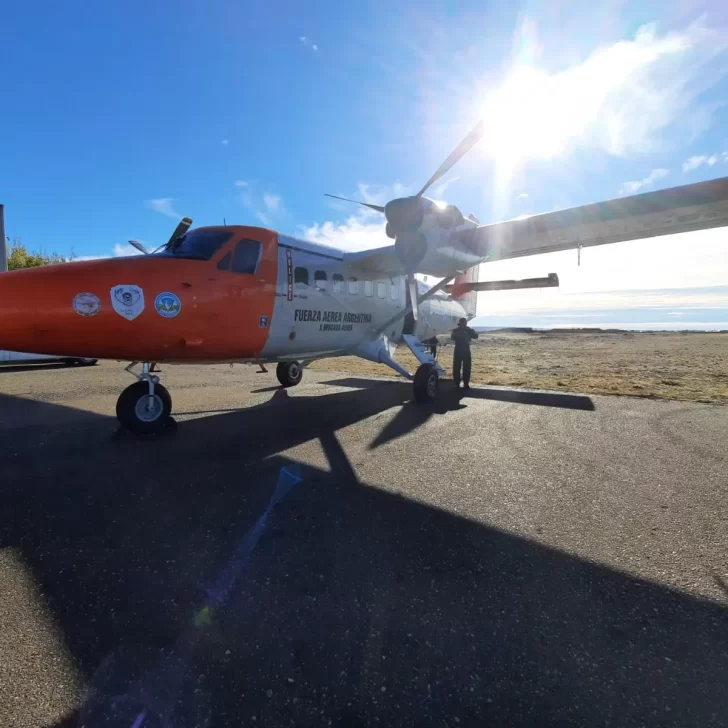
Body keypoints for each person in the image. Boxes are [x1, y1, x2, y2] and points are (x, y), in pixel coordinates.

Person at [450, 317, 478, 389]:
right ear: (461, 323)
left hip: (464, 350)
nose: (464, 324)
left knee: (466, 367)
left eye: (465, 322)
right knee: (457, 367)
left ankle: (465, 383)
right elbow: (452, 337)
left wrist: (471, 331)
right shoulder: (457, 330)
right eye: (463, 322)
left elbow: (475, 336)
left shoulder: (468, 330)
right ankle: (457, 383)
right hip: (459, 349)